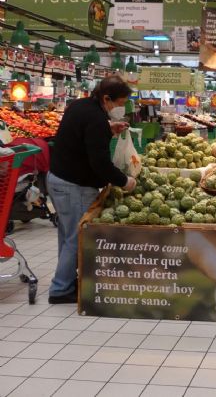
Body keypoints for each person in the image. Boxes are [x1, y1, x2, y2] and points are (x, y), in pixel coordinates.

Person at [47, 75, 136, 304]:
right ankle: (60, 290)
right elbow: (99, 162)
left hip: (58, 178)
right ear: (107, 98)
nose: (121, 108)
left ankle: (65, 281)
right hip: (73, 185)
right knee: (77, 237)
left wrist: (109, 128)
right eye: (119, 103)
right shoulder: (96, 118)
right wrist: (124, 181)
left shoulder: (80, 105)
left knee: (68, 236)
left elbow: (84, 132)